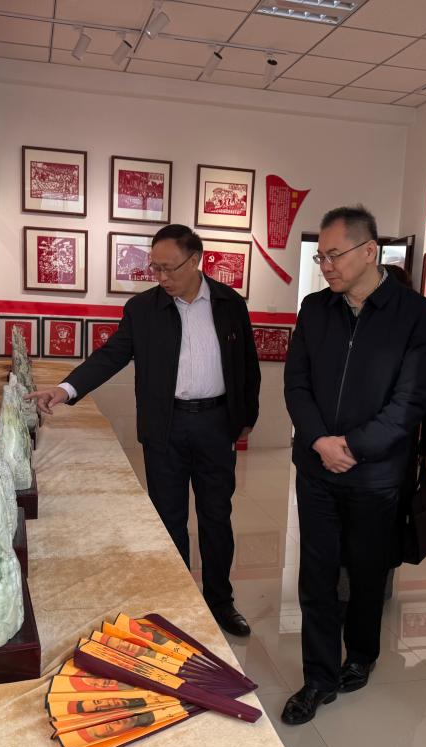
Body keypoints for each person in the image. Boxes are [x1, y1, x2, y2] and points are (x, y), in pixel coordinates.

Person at [25, 224, 260, 637]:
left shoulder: (229, 304)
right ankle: (176, 600)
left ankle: (220, 601)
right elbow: (112, 355)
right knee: (168, 518)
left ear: (195, 260)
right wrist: (66, 389)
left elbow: (247, 365)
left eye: (170, 268)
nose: (161, 277)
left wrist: (246, 418)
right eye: (155, 268)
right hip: (165, 426)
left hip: (215, 424)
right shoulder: (143, 309)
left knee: (216, 517)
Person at [281, 205, 426, 725]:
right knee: (317, 573)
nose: (326, 265)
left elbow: (411, 400)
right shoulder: (314, 309)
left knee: (369, 571)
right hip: (316, 469)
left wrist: (352, 447)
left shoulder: (415, 314)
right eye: (321, 257)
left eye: (334, 255)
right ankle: (318, 677)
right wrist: (319, 441)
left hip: (376, 474)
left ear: (370, 251)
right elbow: (296, 383)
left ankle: (363, 653)